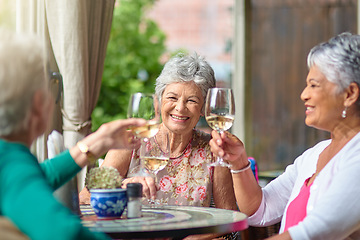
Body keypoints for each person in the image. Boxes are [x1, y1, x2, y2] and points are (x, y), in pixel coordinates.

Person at [209, 32, 360, 240]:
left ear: (350, 94)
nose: (304, 94)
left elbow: (316, 232)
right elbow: (260, 210)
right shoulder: (314, 155)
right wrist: (238, 162)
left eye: (314, 85)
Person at [0, 29, 146, 240]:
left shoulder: (8, 159)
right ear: (39, 104)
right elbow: (63, 232)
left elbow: (38, 175)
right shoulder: (12, 165)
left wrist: (99, 141)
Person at [79, 53, 238, 239]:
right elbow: (85, 199)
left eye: (192, 100)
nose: (180, 108)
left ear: (203, 109)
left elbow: (229, 220)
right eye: (172, 97)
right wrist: (123, 190)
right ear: (159, 100)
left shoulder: (213, 149)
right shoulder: (132, 142)